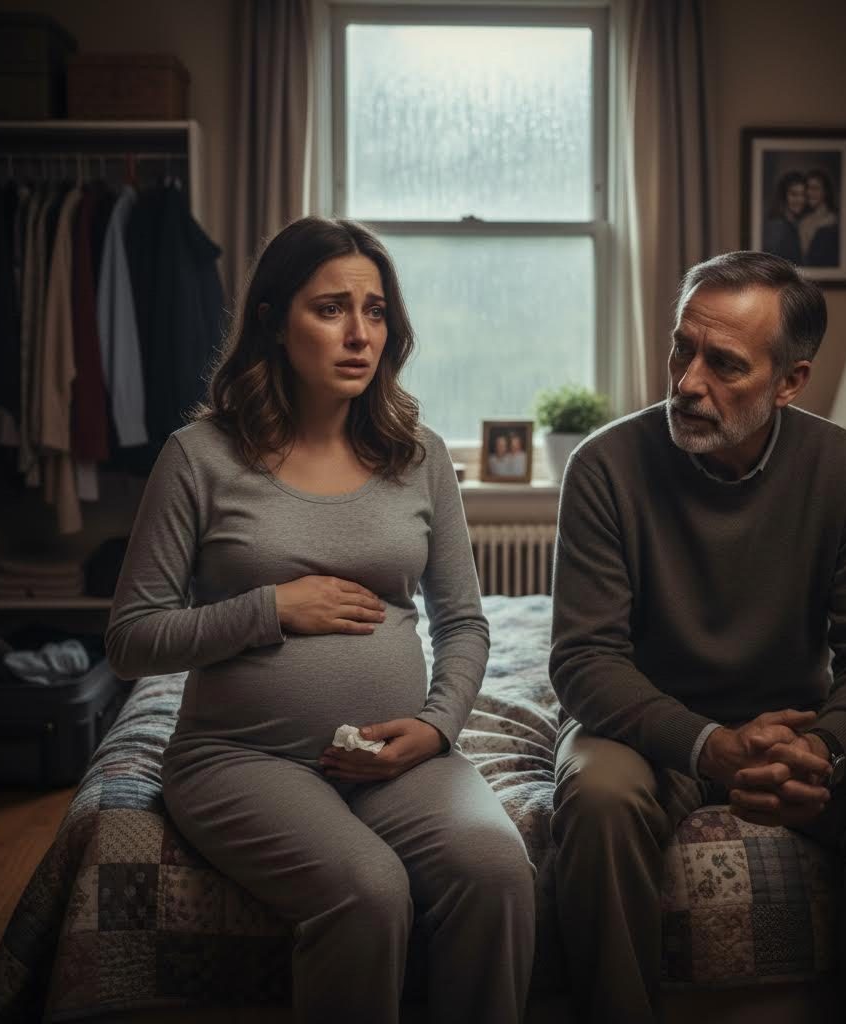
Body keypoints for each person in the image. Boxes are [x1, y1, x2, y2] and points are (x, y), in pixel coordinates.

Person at [106, 217, 535, 1024]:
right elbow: (132, 639)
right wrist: (269, 609)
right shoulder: (198, 457)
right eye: (331, 308)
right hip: (240, 757)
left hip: (394, 757)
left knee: (499, 870)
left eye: (375, 312)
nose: (359, 334)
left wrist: (436, 727)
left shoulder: (420, 456)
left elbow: (465, 623)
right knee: (368, 892)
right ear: (273, 319)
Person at [549, 250, 846, 1024]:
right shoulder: (603, 466)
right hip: (641, 728)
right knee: (597, 799)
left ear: (791, 381)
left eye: (724, 365)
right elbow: (584, 660)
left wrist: (826, 749)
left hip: (792, 729)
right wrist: (709, 744)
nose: (686, 382)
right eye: (682, 347)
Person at [761, 171, 805, 264]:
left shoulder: (794, 224)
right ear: (783, 196)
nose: (800, 200)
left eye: (803, 195)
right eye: (794, 194)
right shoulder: (777, 226)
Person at [800, 168, 840, 267]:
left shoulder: (835, 219)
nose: (809, 193)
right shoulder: (804, 221)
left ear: (825, 191)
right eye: (807, 188)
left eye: (815, 188)